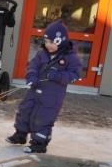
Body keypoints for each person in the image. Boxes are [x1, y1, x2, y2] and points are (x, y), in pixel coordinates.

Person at [7, 9, 82, 153]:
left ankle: (39, 143)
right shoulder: (42, 54)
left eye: (52, 42)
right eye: (46, 41)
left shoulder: (70, 58)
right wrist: (31, 76)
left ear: (61, 42)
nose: (48, 45)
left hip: (52, 96)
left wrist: (59, 76)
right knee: (25, 110)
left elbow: (75, 74)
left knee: (42, 118)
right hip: (35, 90)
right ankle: (20, 135)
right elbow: (32, 66)